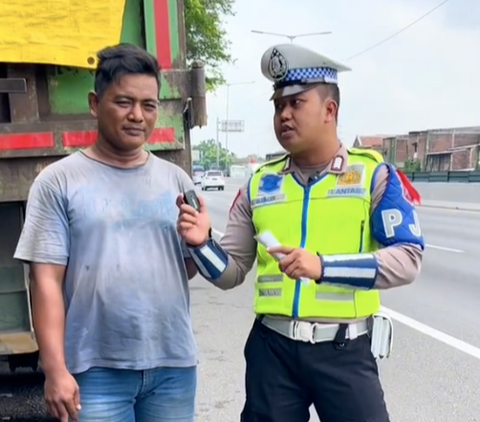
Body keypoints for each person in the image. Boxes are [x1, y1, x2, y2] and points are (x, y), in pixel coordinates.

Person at [176, 43, 425, 422]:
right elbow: (231, 273)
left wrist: (322, 267)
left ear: (330, 110)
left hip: (344, 350)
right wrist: (200, 244)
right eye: (278, 106)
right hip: (271, 351)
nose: (284, 115)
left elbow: (407, 260)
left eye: (296, 103)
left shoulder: (373, 176)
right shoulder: (260, 184)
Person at [14, 43, 199, 422]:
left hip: (172, 366)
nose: (138, 116)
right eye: (124, 102)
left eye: (149, 105)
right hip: (93, 372)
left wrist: (200, 243)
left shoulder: (175, 180)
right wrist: (54, 370)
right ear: (95, 104)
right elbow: (45, 280)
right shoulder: (58, 182)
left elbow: (184, 266)